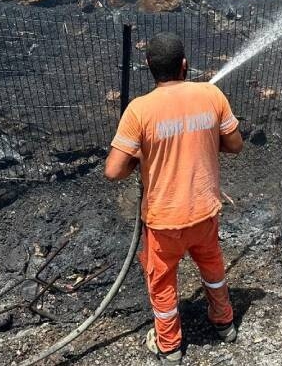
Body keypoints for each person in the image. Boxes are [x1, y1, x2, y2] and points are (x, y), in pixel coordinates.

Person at [105, 32, 244, 364]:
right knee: (213, 268)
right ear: (184, 65)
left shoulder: (139, 110)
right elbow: (235, 144)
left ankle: (169, 346)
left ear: (149, 66)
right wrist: (210, 142)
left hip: (164, 221)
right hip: (205, 212)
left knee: (162, 281)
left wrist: (138, 161)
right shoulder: (211, 94)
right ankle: (224, 323)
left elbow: (113, 170)